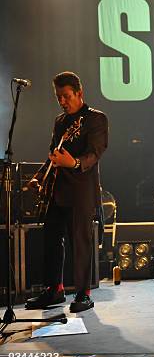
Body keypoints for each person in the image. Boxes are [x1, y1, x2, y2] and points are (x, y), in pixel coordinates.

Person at [25, 72, 108, 313]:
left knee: (80, 242)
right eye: (58, 97)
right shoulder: (60, 121)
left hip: (81, 191)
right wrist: (38, 176)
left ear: (79, 94)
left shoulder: (96, 119)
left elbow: (96, 152)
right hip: (57, 190)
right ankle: (55, 289)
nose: (62, 101)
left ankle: (83, 293)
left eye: (66, 96)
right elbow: (53, 154)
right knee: (51, 239)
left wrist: (74, 163)